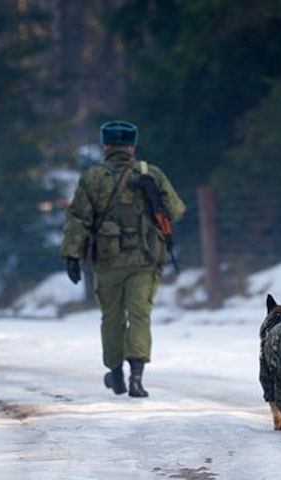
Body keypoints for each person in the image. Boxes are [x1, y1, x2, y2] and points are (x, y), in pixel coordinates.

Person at [61, 121, 186, 397]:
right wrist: (152, 190)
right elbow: (175, 210)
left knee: (112, 317)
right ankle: (137, 380)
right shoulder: (150, 172)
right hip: (145, 259)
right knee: (140, 315)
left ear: (105, 145)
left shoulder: (93, 177)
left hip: (108, 261)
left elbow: (79, 218)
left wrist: (71, 254)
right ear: (132, 146)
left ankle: (116, 375)